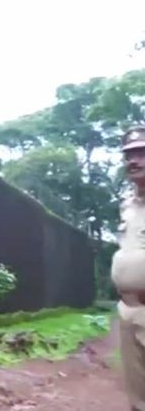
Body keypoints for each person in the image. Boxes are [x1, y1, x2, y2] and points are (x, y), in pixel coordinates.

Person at [112, 125, 145, 411]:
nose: (133, 160)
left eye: (142, 153)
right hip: (128, 310)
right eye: (129, 155)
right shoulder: (127, 205)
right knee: (137, 396)